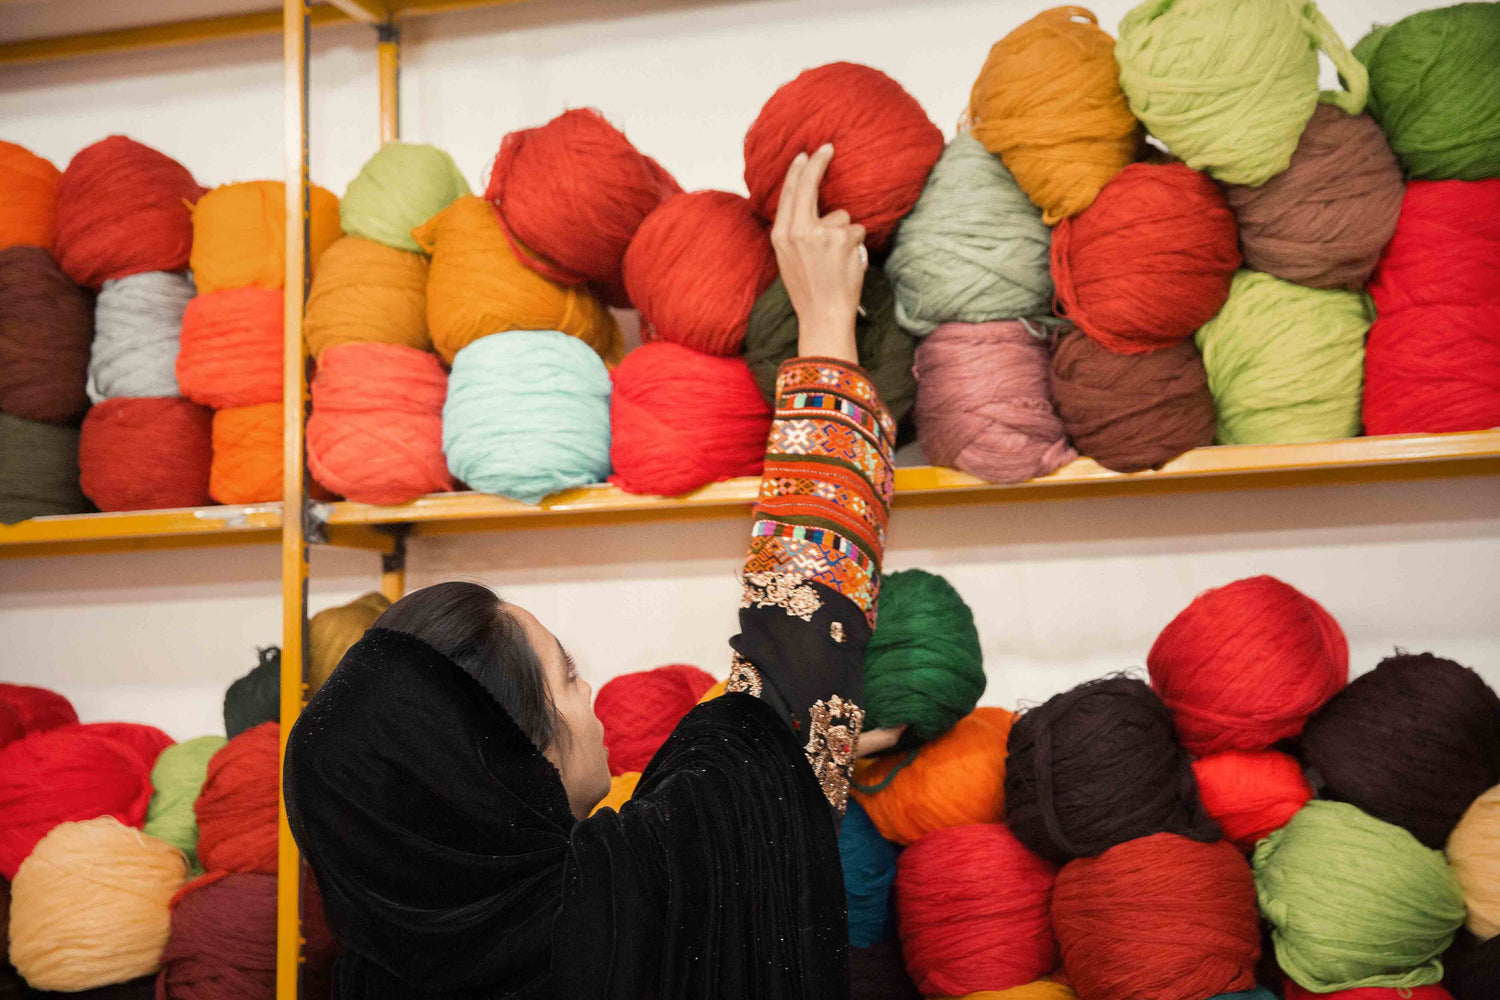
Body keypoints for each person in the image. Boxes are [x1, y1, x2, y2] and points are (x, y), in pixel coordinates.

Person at [284, 144, 904, 1000]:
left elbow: (788, 705)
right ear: (516, 760)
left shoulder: (367, 968)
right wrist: (827, 325)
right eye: (568, 680)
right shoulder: (622, 912)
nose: (590, 694)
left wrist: (785, 741)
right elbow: (799, 662)